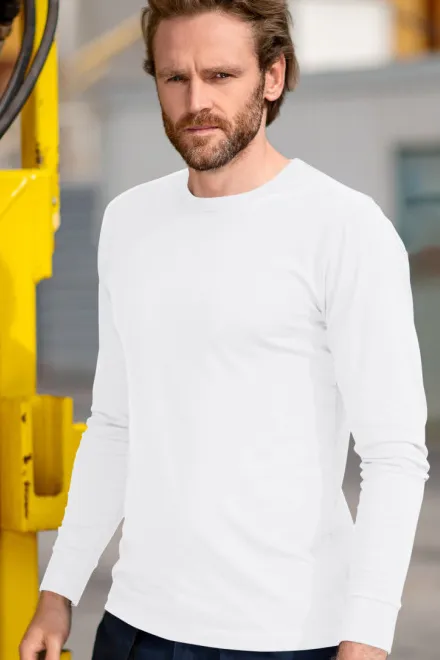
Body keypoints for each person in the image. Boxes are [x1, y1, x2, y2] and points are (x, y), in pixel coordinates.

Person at [20, 1, 430, 659]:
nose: (195, 102)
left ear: (273, 76)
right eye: (175, 78)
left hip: (285, 638)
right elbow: (116, 424)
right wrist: (58, 588)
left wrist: (368, 638)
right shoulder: (129, 222)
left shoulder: (344, 229)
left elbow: (393, 454)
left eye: (220, 75)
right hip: (134, 629)